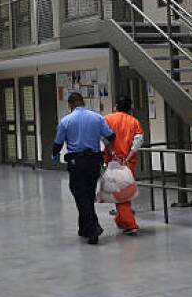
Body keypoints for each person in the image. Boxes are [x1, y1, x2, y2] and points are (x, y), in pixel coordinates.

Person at [52, 92, 115, 245]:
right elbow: (111, 136)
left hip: (77, 163)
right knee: (87, 194)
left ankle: (94, 228)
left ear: (71, 105)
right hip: (94, 161)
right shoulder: (97, 118)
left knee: (80, 196)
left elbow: (58, 143)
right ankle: (84, 228)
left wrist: (54, 154)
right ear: (83, 102)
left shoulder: (66, 121)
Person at [104, 96, 144, 235]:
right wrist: (128, 157)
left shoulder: (108, 119)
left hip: (113, 160)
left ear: (116, 106)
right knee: (123, 190)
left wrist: (112, 154)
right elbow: (138, 141)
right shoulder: (134, 121)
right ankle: (120, 219)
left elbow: (105, 139)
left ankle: (129, 223)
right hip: (128, 162)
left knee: (120, 192)